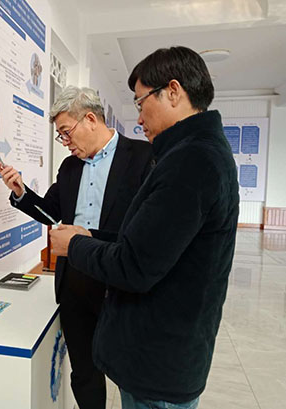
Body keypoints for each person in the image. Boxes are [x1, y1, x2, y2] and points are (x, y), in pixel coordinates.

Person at [49, 46, 240, 409]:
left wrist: (74, 245)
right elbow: (148, 240)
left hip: (159, 360)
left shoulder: (188, 160)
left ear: (173, 91)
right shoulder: (196, 152)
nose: (138, 118)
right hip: (158, 349)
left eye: (140, 102)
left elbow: (135, 264)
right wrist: (88, 236)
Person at [0, 86, 153, 409]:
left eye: (66, 132)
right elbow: (51, 213)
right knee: (84, 371)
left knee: (130, 372)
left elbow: (144, 232)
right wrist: (21, 193)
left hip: (119, 283)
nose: (65, 142)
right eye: (61, 136)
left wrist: (87, 237)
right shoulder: (70, 167)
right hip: (75, 283)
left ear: (91, 119)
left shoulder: (142, 157)